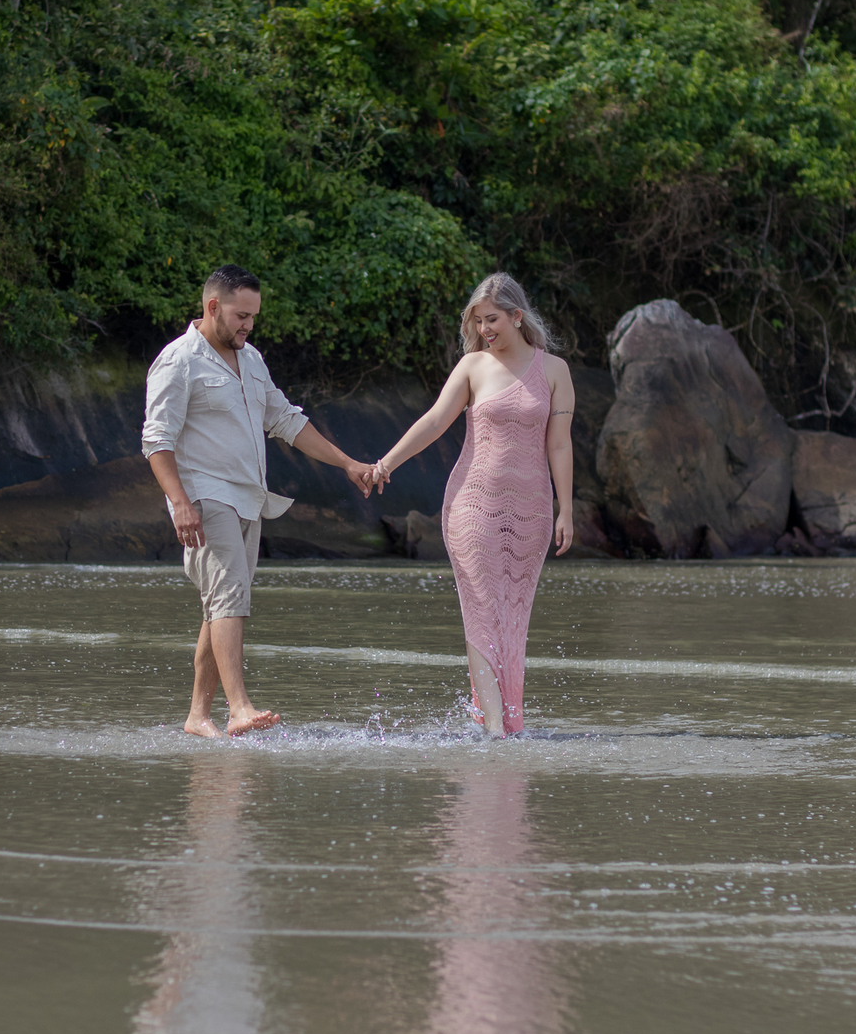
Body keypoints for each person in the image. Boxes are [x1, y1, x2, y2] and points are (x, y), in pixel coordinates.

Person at [142, 265, 375, 737]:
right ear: (213, 307)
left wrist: (347, 463)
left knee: (221, 604)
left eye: (253, 316)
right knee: (230, 594)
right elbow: (156, 440)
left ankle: (196, 716)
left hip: (250, 499)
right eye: (241, 315)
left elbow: (287, 421)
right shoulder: (179, 361)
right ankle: (239, 708)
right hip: (205, 497)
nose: (248, 324)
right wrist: (181, 503)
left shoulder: (251, 360)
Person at [370, 273, 574, 737]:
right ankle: (497, 727)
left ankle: (501, 717)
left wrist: (567, 510)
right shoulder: (472, 367)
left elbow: (559, 446)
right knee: (481, 608)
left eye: (493, 319)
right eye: (478, 321)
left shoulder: (555, 371)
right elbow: (436, 421)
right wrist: (387, 463)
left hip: (533, 509)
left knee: (513, 614)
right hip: (472, 505)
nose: (485, 329)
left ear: (517, 316)